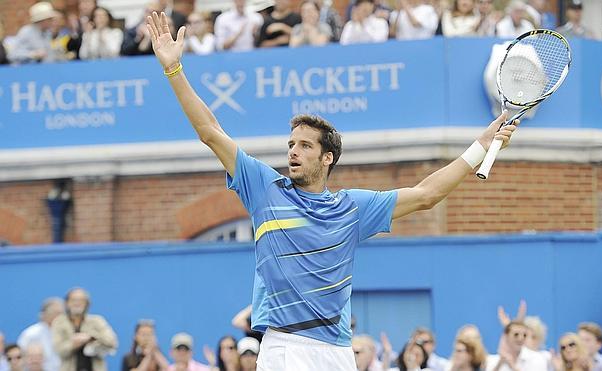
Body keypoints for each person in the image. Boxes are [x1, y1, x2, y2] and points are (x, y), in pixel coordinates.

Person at [146, 11, 517, 370]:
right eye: (291, 144)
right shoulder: (264, 188)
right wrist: (173, 69)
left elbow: (426, 195)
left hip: (337, 351)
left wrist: (480, 146)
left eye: (305, 146)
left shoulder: (353, 207)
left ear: (327, 158)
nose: (293, 151)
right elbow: (210, 131)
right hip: (284, 347)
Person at [51, 287, 118, 371]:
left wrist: (90, 337)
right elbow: (59, 350)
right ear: (67, 303)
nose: (77, 303)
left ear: (87, 303)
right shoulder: (59, 323)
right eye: (73, 300)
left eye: (81, 300)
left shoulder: (97, 321)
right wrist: (74, 343)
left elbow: (112, 341)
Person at [17, 298, 65, 371]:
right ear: (45, 314)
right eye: (56, 313)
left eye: (62, 313)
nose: (60, 317)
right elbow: (20, 357)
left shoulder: (65, 332)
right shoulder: (31, 334)